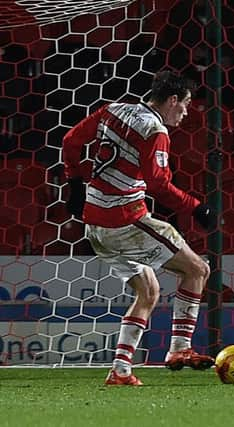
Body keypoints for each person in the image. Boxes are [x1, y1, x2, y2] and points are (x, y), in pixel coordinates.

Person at [62, 71, 215, 385]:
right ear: (172, 100)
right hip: (124, 221)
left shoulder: (113, 110)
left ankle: (120, 371)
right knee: (197, 270)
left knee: (148, 291)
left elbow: (71, 140)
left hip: (95, 224)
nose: (186, 113)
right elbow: (158, 183)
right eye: (185, 105)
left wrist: (74, 181)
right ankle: (180, 349)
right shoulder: (154, 130)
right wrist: (195, 207)